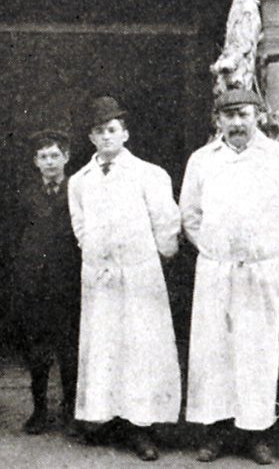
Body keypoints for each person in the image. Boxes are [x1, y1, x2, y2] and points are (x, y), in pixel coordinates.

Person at [180, 88, 279, 465]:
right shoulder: (202, 161)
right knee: (214, 352)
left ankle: (257, 435)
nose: (237, 123)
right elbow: (190, 214)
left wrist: (275, 247)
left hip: (264, 270)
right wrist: (214, 246)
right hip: (216, 268)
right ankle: (215, 433)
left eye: (244, 114)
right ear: (218, 120)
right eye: (229, 116)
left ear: (258, 115)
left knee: (257, 352)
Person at [68, 96, 181, 462]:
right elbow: (80, 225)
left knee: (140, 348)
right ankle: (106, 419)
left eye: (112, 130)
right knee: (104, 347)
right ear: (90, 137)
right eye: (99, 131)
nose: (106, 137)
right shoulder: (79, 181)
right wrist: (95, 253)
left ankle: (141, 426)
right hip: (100, 276)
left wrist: (154, 258)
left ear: (125, 134)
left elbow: (167, 224)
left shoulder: (149, 174)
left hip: (139, 274)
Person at [12, 128, 80, 435]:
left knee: (69, 347)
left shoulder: (78, 189)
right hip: (35, 282)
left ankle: (71, 408)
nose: (49, 162)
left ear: (66, 158)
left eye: (55, 155)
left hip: (68, 280)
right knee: (37, 349)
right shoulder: (25, 194)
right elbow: (15, 236)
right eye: (43, 157)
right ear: (35, 162)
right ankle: (39, 410)